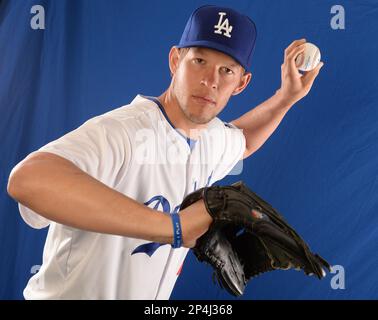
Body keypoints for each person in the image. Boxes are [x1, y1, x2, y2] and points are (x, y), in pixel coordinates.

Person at [7, 5, 324, 299]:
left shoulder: (211, 139)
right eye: (199, 61)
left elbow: (244, 141)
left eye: (227, 70)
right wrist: (175, 227)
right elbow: (28, 179)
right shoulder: (125, 132)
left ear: (241, 83)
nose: (210, 81)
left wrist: (286, 98)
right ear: (176, 60)